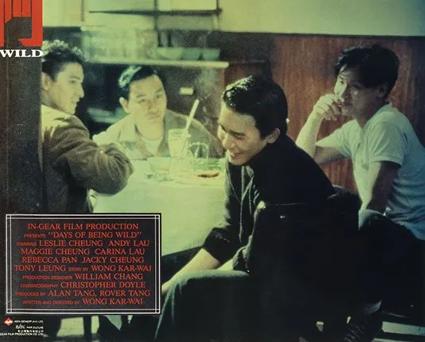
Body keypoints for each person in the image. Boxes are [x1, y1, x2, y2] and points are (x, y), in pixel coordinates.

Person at [155, 76, 334, 342]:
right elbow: (229, 232)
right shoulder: (239, 155)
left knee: (185, 289)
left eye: (238, 135)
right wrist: (165, 286)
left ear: (272, 135)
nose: (226, 143)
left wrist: (180, 286)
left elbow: (253, 261)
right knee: (158, 269)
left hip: (288, 289)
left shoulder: (285, 175)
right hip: (256, 264)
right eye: (223, 129)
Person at [296, 44, 425, 342]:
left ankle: (367, 317)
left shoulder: (387, 124)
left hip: (413, 247)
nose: (342, 94)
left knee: (359, 219)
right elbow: (303, 161)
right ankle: (331, 323)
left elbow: (375, 205)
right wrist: (315, 116)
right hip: (388, 241)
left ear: (380, 91)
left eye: (354, 87)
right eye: (340, 82)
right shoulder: (358, 128)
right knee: (334, 202)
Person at [39, 40, 133, 339]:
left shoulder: (27, 116)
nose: (80, 92)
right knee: (140, 256)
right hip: (62, 255)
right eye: (73, 81)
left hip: (30, 246)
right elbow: (112, 178)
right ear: (45, 81)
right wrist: (114, 147)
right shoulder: (62, 125)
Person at [94, 65, 222, 159]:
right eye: (142, 100)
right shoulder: (114, 139)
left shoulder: (195, 133)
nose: (153, 107)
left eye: (158, 96)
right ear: (126, 105)